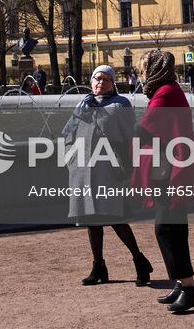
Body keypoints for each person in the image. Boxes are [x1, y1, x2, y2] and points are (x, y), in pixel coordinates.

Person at [62, 65, 154, 288]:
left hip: (109, 171)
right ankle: (98, 266)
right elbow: (67, 133)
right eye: (96, 78)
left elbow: (131, 137)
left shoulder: (120, 105)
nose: (100, 82)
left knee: (115, 217)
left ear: (113, 83)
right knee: (91, 219)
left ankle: (139, 261)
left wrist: (127, 166)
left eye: (105, 79)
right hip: (83, 171)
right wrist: (71, 159)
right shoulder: (83, 104)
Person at [134, 50, 194, 314]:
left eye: (143, 68)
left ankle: (189, 289)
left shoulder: (165, 93)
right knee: (172, 227)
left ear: (154, 68)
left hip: (169, 171)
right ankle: (183, 283)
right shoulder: (167, 89)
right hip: (169, 168)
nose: (141, 73)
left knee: (167, 229)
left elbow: (144, 129)